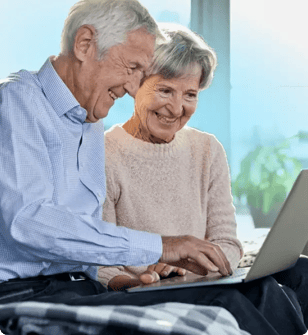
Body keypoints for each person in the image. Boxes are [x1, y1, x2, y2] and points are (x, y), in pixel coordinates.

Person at [0, 0, 231, 296]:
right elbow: (28, 223)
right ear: (85, 45)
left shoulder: (90, 120)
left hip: (81, 287)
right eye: (133, 67)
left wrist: (131, 281)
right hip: (26, 292)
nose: (135, 87)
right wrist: (160, 247)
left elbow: (83, 239)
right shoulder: (18, 103)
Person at [96, 23, 308, 335]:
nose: (177, 108)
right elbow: (97, 257)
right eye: (165, 90)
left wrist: (199, 265)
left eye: (190, 94)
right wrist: (143, 275)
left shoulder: (207, 149)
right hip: (148, 288)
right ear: (135, 85)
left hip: (202, 277)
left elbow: (227, 242)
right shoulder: (104, 154)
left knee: (303, 270)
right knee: (259, 297)